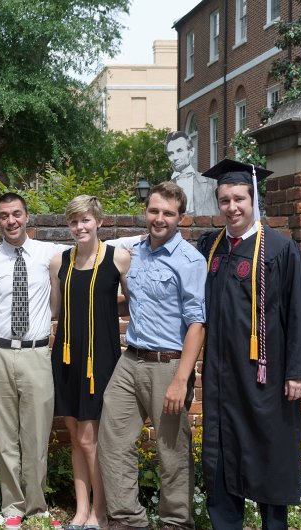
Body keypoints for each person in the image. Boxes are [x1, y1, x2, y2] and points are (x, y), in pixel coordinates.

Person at [197, 159, 301, 530]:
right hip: (222, 377)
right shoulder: (211, 247)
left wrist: (298, 372)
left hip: (265, 379)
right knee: (221, 453)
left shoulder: (280, 249)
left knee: (270, 453)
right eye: (224, 200)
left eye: (239, 198)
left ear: (253, 198)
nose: (232, 207)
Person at [98, 181, 207, 530]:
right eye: (154, 210)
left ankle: (176, 522)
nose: (160, 218)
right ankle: (128, 519)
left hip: (169, 364)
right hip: (130, 360)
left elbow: (197, 324)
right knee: (112, 440)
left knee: (171, 451)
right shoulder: (135, 252)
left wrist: (181, 379)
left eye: (168, 213)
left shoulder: (190, 261)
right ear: (146, 212)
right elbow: (135, 300)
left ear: (181, 217)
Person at [0, 192, 65, 530]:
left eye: (17, 214)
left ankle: (37, 507)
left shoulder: (49, 255)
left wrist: (142, 237)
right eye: (4, 216)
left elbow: (89, 246)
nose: (11, 221)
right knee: (6, 436)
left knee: (37, 435)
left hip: (37, 354)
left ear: (27, 217)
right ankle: (13, 506)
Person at [50, 196, 131, 530]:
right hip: (67, 355)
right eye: (73, 221)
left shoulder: (119, 259)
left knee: (90, 438)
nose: (79, 227)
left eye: (85, 220)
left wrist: (107, 308)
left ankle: (101, 511)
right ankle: (81, 511)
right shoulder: (60, 262)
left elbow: (134, 303)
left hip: (100, 359)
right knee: (74, 435)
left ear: (99, 221)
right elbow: (57, 310)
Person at [166, 131, 218, 217]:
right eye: (171, 153)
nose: (175, 157)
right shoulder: (165, 189)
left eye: (179, 151)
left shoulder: (211, 183)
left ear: (191, 151)